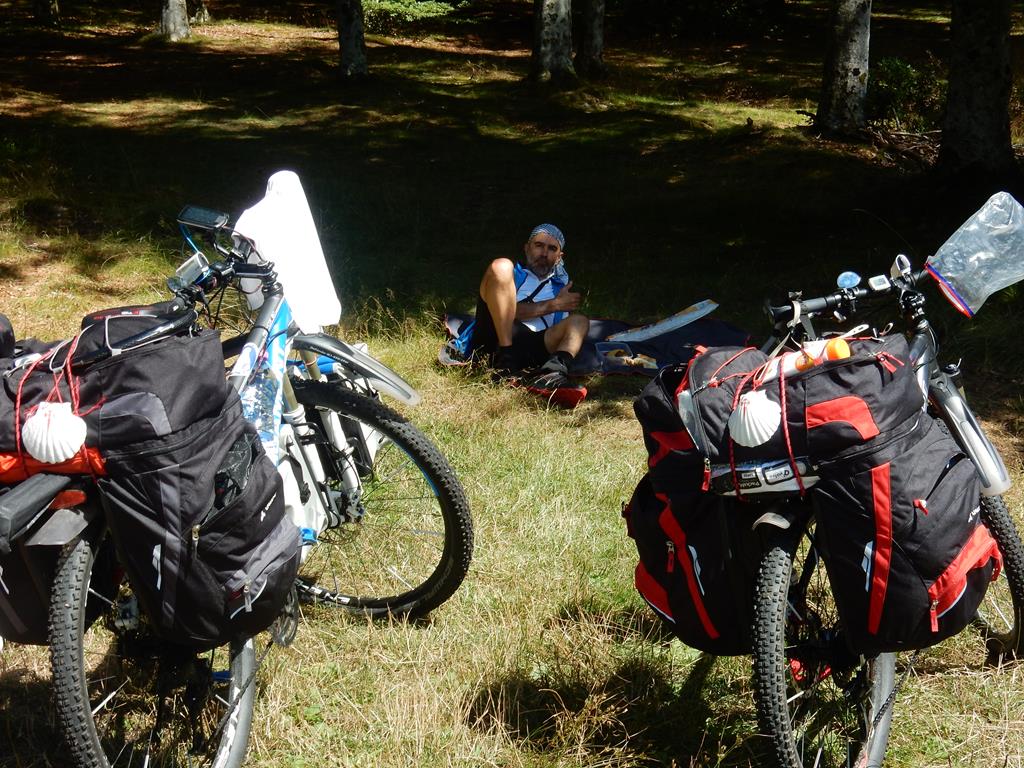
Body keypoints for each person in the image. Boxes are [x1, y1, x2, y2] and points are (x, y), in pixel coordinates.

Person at [468, 223, 589, 389]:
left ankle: (553, 372)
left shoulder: (561, 287)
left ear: (559, 257)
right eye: (539, 245)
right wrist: (553, 305)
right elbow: (505, 311)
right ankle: (506, 362)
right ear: (527, 248)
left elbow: (561, 332)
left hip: (534, 347)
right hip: (495, 339)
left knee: (580, 321)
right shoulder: (509, 275)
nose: (544, 253)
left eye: (552, 248)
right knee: (501, 264)